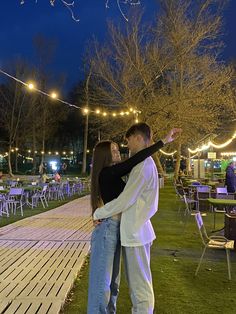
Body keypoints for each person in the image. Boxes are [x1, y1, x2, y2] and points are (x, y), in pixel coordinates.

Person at [88, 123, 181, 314]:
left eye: (128, 141)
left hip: (135, 232)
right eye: (114, 150)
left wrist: (97, 213)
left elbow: (125, 199)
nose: (125, 147)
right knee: (108, 283)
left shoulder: (142, 165)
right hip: (124, 230)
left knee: (137, 287)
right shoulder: (117, 170)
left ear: (137, 138)